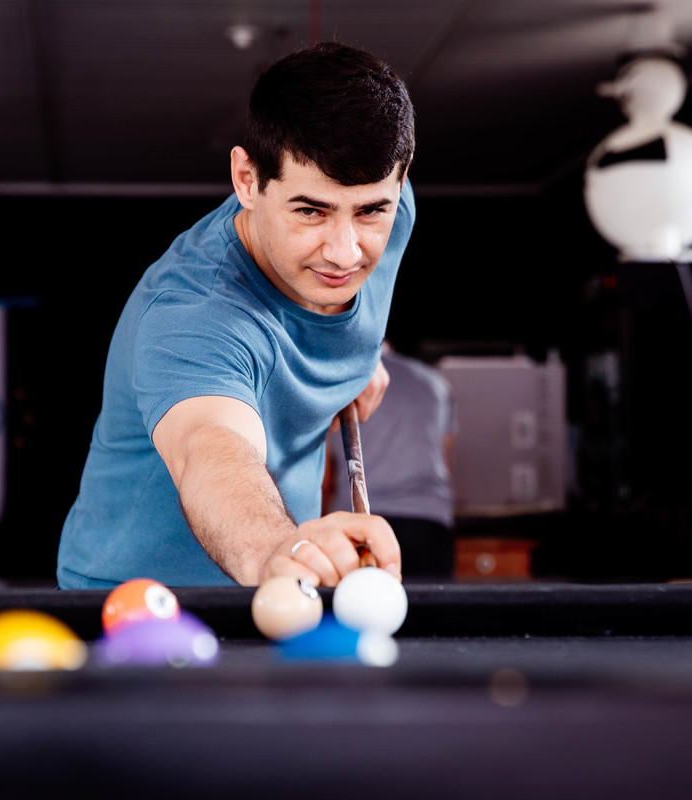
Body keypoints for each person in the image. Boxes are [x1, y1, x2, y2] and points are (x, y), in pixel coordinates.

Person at [57, 42, 416, 590]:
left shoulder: (394, 208)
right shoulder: (193, 314)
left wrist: (365, 353)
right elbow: (213, 448)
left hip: (278, 592)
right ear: (247, 179)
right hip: (134, 604)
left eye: (370, 211)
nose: (345, 253)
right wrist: (278, 551)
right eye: (309, 211)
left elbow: (357, 281)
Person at [323, 343, 458, 580]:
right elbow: (445, 463)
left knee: (358, 612)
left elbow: (324, 475)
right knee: (430, 614)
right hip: (427, 523)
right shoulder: (435, 383)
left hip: (357, 523)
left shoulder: (337, 383)